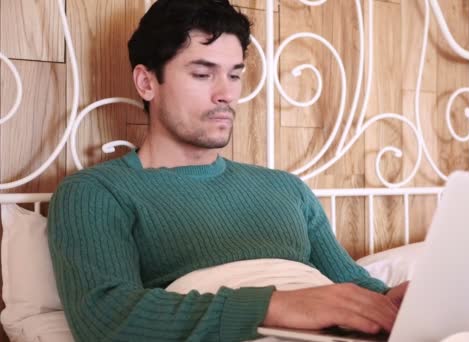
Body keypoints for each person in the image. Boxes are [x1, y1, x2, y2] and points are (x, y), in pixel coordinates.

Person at [48, 1, 408, 341]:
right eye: (203, 74)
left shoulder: (285, 189)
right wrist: (274, 305)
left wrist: (402, 299)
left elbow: (356, 290)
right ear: (146, 82)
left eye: (235, 75)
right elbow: (108, 318)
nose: (226, 94)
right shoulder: (97, 192)